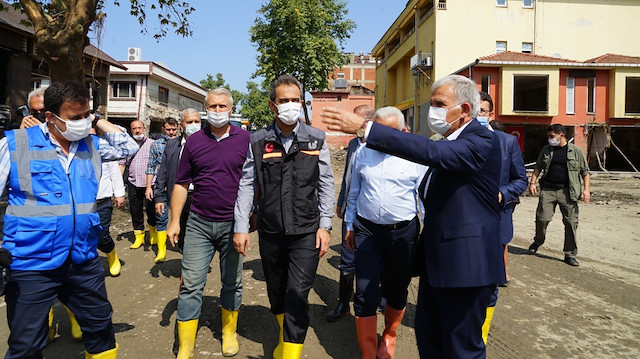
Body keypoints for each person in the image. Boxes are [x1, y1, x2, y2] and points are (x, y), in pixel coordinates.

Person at [322, 74, 506, 358]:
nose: (432, 110)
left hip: (466, 266)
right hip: (438, 263)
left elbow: (430, 152)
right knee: (430, 340)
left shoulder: (479, 140)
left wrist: (366, 128)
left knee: (461, 349)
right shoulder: (448, 142)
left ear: (465, 110)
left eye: (439, 104)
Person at [0, 80, 139, 358]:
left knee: (100, 329)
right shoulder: (15, 144)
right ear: (50, 117)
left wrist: (96, 119)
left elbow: (129, 146)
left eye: (87, 115)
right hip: (31, 262)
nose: (83, 123)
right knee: (26, 344)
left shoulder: (93, 145)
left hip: (82, 259)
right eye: (75, 118)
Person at [233, 74, 335, 359]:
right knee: (277, 292)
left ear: (302, 103)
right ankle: (283, 337)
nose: (291, 105)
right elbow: (246, 185)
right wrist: (241, 226)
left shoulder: (316, 139)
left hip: (306, 231)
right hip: (271, 231)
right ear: (272, 105)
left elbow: (326, 184)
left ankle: (290, 353)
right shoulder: (258, 141)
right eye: (284, 100)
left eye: (295, 100)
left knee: (298, 293)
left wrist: (325, 225)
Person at [167, 88, 250, 358]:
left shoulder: (245, 140)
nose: (217, 110)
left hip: (232, 225)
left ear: (231, 108)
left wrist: (248, 220)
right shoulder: (194, 142)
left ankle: (228, 334)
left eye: (222, 106)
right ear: (205, 109)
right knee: (191, 284)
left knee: (232, 282)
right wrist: (174, 221)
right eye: (212, 106)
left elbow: (253, 183)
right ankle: (186, 346)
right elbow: (181, 184)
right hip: (199, 223)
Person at [345, 106, 427, 358]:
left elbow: (423, 199)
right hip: (367, 230)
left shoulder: (416, 158)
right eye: (378, 131)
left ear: (403, 131)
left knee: (397, 287)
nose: (383, 138)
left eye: (390, 132)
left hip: (403, 233)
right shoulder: (362, 153)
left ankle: (389, 336)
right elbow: (354, 192)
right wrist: (349, 225)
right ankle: (368, 350)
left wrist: (429, 231)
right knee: (365, 291)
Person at [479, 92, 528, 345]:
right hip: (464, 225)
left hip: (496, 221)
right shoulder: (452, 141)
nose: (479, 115)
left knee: (490, 283)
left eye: (483, 111)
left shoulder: (507, 143)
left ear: (491, 114)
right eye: (474, 110)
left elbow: (521, 180)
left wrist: (502, 193)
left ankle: (481, 335)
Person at [327, 104, 374, 322]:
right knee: (347, 258)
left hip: (371, 213)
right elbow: (348, 174)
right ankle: (343, 304)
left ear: (367, 120)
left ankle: (375, 300)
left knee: (373, 259)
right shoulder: (354, 143)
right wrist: (340, 200)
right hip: (350, 210)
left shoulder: (378, 144)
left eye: (353, 118)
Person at [527, 124, 590, 266]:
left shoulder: (576, 151)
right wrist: (532, 183)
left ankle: (569, 254)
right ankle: (538, 241)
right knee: (542, 219)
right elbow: (538, 167)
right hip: (548, 190)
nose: (549, 139)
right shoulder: (546, 150)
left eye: (552, 137)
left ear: (561, 135)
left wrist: (586, 190)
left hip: (567, 192)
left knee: (571, 223)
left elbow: (585, 172)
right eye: (548, 136)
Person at [154, 109, 202, 252]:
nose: (194, 125)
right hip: (178, 195)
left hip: (201, 195)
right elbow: (163, 171)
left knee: (199, 232)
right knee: (181, 228)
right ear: (182, 125)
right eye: (190, 122)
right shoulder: (172, 145)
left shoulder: (209, 144)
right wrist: (158, 197)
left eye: (196, 122)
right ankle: (184, 254)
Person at [145, 117, 179, 263]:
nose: (171, 132)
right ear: (163, 130)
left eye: (174, 129)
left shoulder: (182, 144)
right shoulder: (157, 145)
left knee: (181, 217)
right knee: (161, 217)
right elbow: (151, 166)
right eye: (168, 130)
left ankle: (181, 243)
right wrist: (148, 187)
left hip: (178, 187)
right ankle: (161, 251)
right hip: (161, 187)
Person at [120, 120, 157, 250]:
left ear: (144, 128)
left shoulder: (153, 144)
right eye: (134, 128)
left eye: (139, 128)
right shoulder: (127, 145)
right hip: (133, 182)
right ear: (131, 130)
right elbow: (122, 164)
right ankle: (139, 237)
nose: (137, 131)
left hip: (150, 183)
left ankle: (153, 233)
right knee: (135, 211)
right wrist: (119, 183)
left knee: (152, 210)